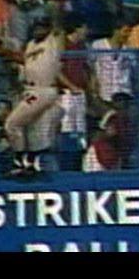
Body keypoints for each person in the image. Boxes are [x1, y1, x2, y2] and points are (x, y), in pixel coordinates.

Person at [2, 17, 63, 175]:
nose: (39, 31)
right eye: (36, 28)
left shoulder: (53, 42)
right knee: (32, 131)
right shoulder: (30, 45)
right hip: (30, 89)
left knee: (11, 124)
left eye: (42, 28)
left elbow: (59, 27)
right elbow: (26, 63)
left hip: (43, 89)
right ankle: (30, 165)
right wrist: (8, 54)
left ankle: (19, 162)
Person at [57, 17, 91, 171]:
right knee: (68, 129)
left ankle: (79, 165)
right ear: (77, 28)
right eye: (84, 27)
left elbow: (85, 68)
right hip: (66, 94)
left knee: (80, 131)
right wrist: (71, 86)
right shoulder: (63, 44)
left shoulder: (82, 46)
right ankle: (66, 167)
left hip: (80, 93)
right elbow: (56, 70)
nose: (87, 31)